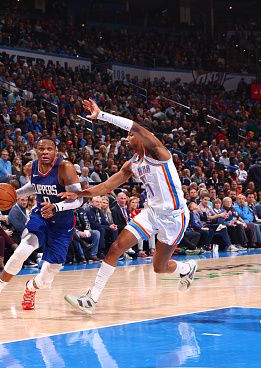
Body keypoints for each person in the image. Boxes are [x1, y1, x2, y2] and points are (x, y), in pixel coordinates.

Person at [61, 99, 197, 315]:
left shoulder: (159, 153)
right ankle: (91, 298)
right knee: (116, 248)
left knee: (159, 268)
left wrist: (102, 115)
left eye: (131, 136)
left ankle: (186, 268)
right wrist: (79, 194)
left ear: (143, 137)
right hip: (151, 213)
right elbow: (106, 186)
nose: (127, 138)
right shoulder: (131, 164)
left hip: (174, 217)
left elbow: (135, 126)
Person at [0, 139, 83, 311]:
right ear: (36, 151)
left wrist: (56, 207)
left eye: (49, 149)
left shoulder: (65, 167)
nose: (45, 152)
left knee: (47, 277)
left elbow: (79, 199)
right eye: (41, 149)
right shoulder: (32, 166)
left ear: (56, 151)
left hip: (62, 224)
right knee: (22, 250)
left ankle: (31, 288)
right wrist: (13, 194)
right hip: (41, 217)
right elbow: (35, 186)